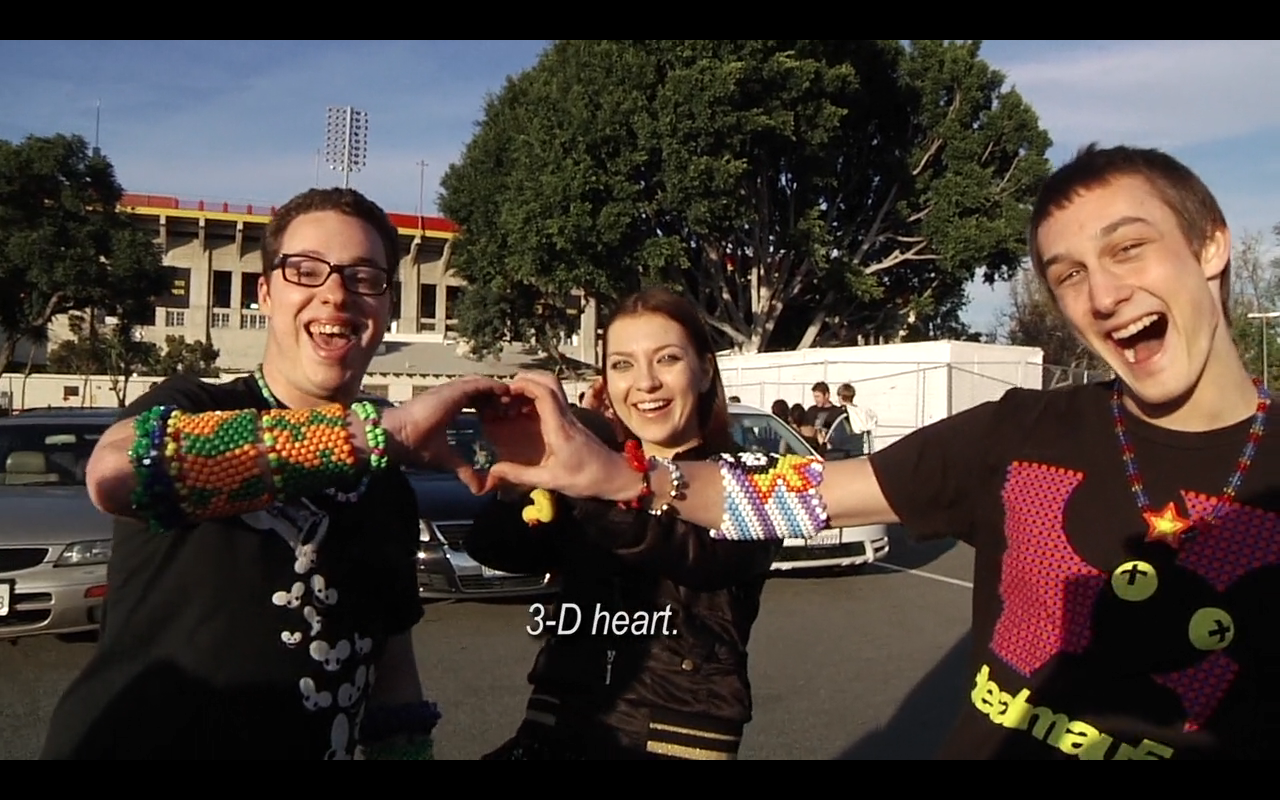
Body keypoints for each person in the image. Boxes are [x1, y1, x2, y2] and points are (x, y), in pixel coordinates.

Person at [480, 144, 1280, 760]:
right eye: (1067, 274)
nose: (1102, 295)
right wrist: (614, 476)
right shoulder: (1019, 434)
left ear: (1212, 246)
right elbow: (795, 497)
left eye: (1128, 248)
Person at [39, 187, 509, 760]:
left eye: (364, 277)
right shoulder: (194, 404)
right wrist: (380, 434)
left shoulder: (384, 482)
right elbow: (115, 475)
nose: (335, 293)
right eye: (305, 270)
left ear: (387, 305)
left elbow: (392, 663)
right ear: (264, 292)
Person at [469, 287, 781, 760]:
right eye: (623, 365)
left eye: (668, 359)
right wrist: (527, 464)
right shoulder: (595, 468)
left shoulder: (750, 475)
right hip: (552, 722)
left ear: (704, 371)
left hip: (676, 736)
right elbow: (496, 546)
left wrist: (595, 479)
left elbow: (703, 557)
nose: (646, 382)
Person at [824, 383, 878, 459]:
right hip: (859, 455)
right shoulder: (862, 413)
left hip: (841, 456)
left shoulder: (837, 413)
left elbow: (833, 437)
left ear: (840, 397)